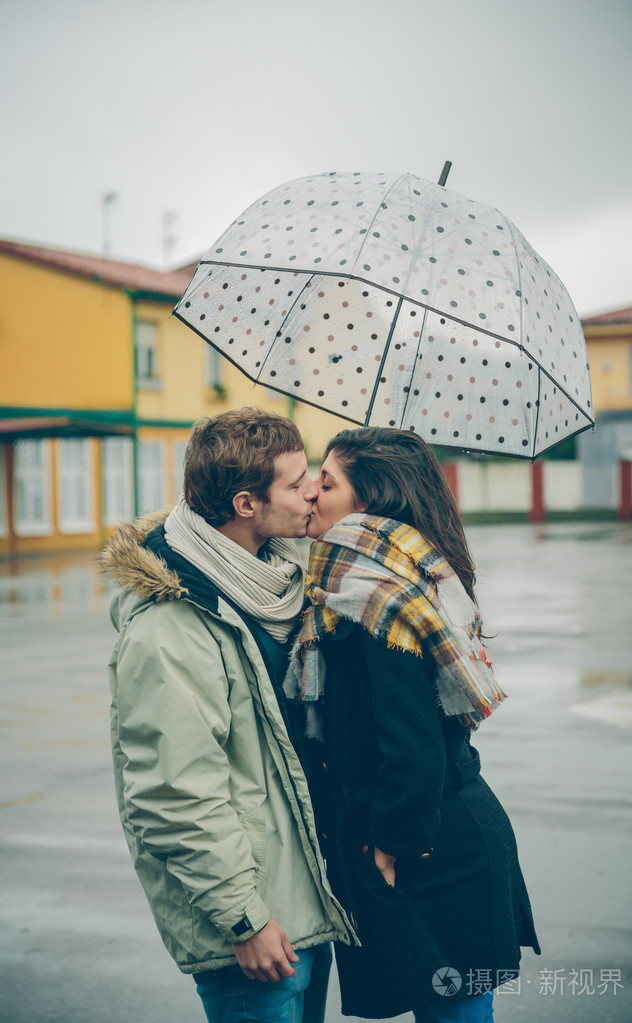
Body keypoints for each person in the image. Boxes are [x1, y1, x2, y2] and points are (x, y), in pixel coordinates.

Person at [101, 407, 357, 1023]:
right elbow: (173, 793)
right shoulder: (172, 627)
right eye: (297, 483)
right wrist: (244, 917)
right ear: (247, 504)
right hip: (251, 932)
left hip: (301, 904)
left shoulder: (275, 581)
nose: (314, 491)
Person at [285, 427, 541, 1022]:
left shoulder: (377, 599)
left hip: (432, 851)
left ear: (368, 499)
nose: (313, 495)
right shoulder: (361, 581)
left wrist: (393, 846)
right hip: (424, 838)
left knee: (456, 1011)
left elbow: (415, 747)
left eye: (328, 482)